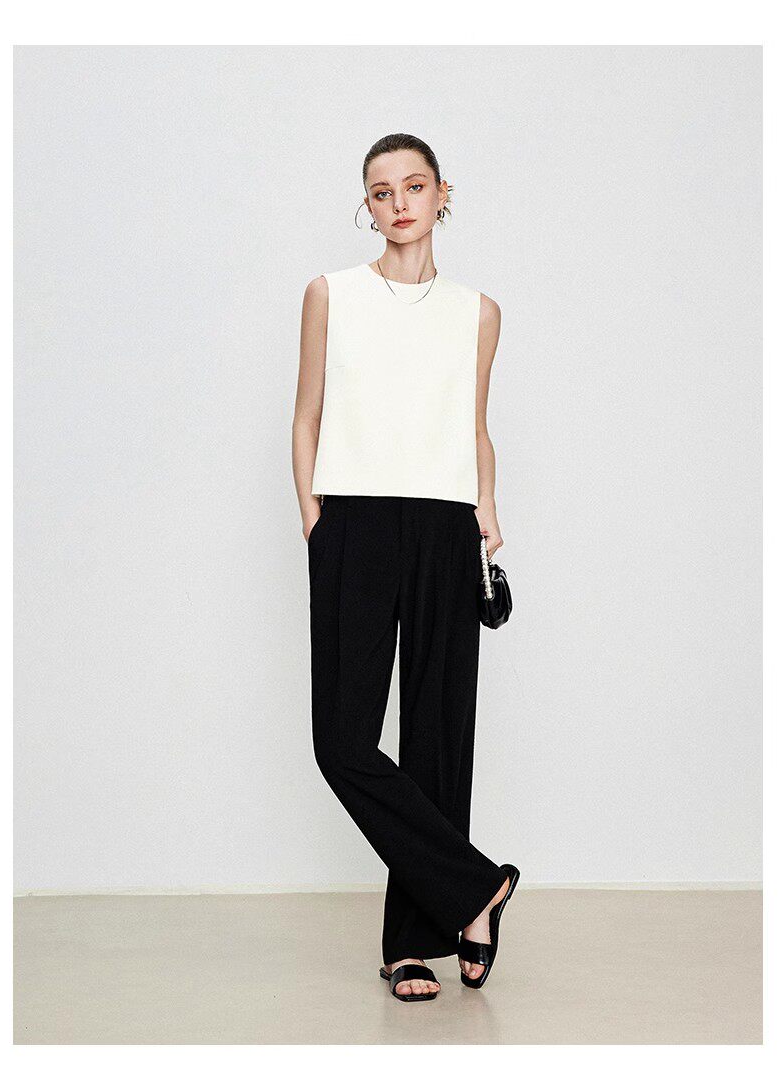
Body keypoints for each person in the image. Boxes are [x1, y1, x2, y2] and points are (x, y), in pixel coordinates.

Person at [292, 133, 519, 1003]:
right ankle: (477, 889)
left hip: (444, 524)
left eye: (414, 186)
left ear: (441, 194)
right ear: (368, 205)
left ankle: (415, 943)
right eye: (381, 192)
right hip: (351, 522)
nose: (399, 204)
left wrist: (486, 507)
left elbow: (474, 423)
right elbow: (306, 414)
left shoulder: (478, 310)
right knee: (342, 743)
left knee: (436, 736)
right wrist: (314, 520)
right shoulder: (331, 293)